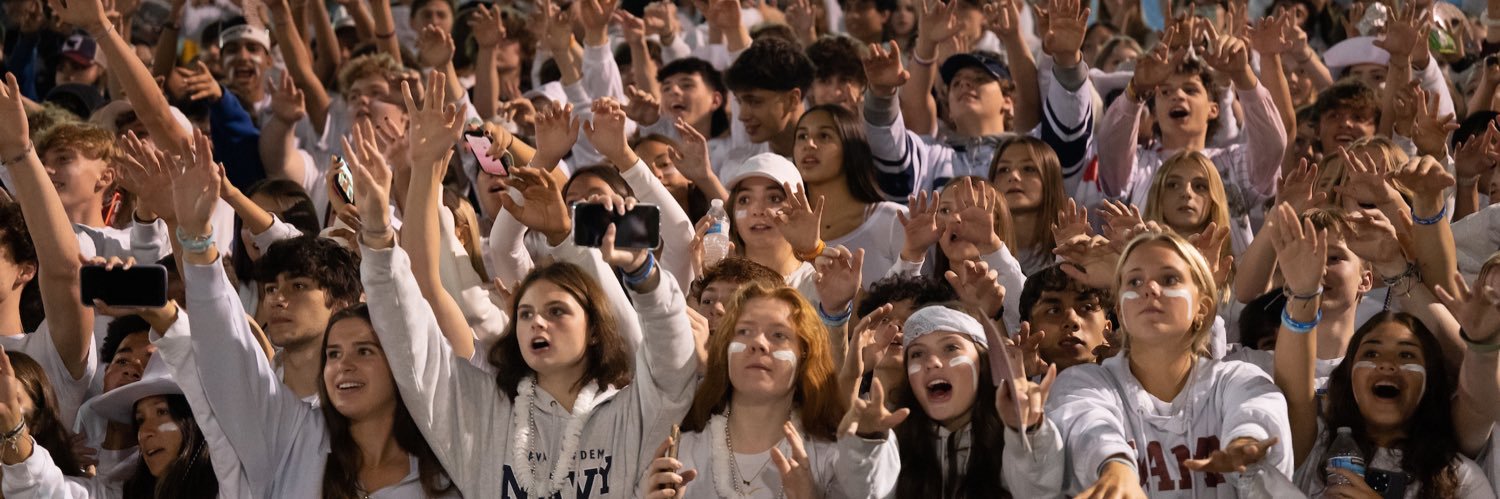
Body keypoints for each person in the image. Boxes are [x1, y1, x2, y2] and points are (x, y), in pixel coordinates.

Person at [1048, 230, 1292, 497]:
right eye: (1135, 281)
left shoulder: (1237, 377)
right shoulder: (1083, 383)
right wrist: (1114, 466)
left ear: (1203, 308)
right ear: (1120, 311)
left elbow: (1257, 410)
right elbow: (1086, 423)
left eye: (1169, 279)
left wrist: (1245, 442)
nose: (1150, 289)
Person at [640, 282, 901, 498]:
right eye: (744, 331)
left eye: (778, 335)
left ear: (804, 357)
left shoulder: (829, 453)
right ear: (724, 351)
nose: (758, 344)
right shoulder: (680, 453)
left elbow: (871, 489)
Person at [892, 304, 1064, 497]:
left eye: (950, 348)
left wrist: (1027, 430)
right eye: (917, 353)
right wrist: (867, 441)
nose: (932, 362)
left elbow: (1038, 492)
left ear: (983, 363)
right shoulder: (892, 444)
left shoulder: (1011, 439)